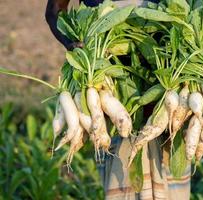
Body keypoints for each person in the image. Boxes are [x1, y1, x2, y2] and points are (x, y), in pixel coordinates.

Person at [45, 1, 191, 199]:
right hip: (113, 90)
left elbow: (190, 9)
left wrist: (195, 47)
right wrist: (70, 42)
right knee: (121, 172)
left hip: (166, 87)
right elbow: (55, 11)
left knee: (172, 169)